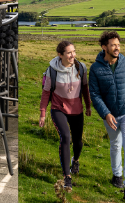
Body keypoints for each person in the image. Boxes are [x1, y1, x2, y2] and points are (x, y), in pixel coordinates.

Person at [88, 31, 125, 201]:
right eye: (113, 45)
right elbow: (95, 95)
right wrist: (106, 114)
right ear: (104, 47)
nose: (117, 47)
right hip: (110, 115)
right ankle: (116, 175)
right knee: (115, 144)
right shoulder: (95, 69)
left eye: (118, 44)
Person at [39, 40, 92, 191]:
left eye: (74, 51)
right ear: (60, 55)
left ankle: (76, 160)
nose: (72, 55)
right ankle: (67, 177)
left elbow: (85, 89)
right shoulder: (52, 71)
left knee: (78, 141)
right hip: (58, 108)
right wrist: (43, 113)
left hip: (77, 109)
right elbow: (46, 93)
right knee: (66, 137)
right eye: (69, 53)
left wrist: (88, 105)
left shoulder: (81, 68)